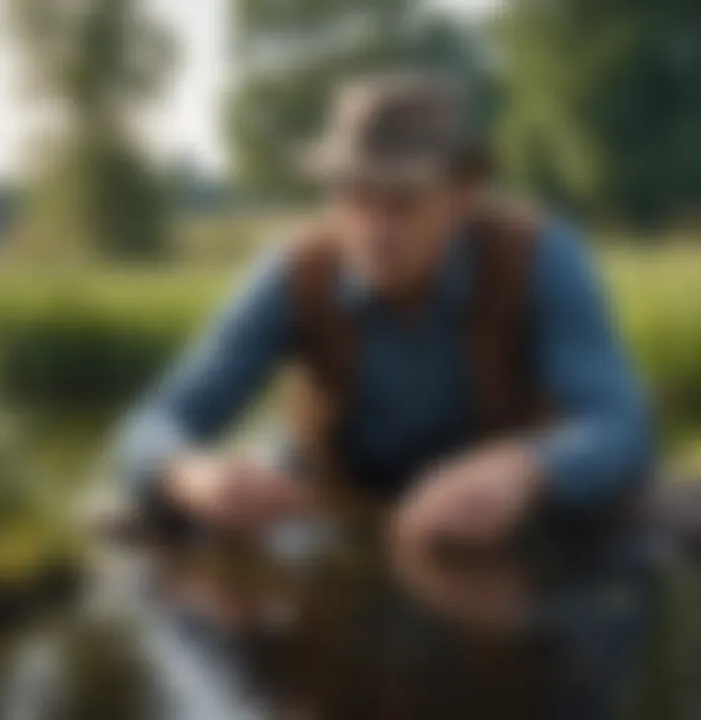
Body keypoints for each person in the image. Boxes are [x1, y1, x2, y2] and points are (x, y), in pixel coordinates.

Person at [116, 74, 655, 715]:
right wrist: (194, 476)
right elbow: (153, 424)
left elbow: (623, 425)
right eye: (354, 196)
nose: (374, 227)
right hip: (331, 512)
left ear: (460, 195)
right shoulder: (292, 273)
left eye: (401, 199)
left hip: (505, 530)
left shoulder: (541, 258)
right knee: (134, 529)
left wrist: (527, 469)